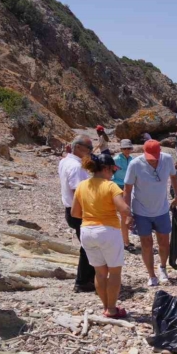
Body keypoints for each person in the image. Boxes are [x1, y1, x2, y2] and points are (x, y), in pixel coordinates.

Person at [71, 154, 131, 318]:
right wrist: (130, 216)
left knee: (100, 272)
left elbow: (75, 212)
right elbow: (123, 208)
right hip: (107, 231)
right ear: (105, 169)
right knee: (115, 272)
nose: (112, 174)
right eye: (112, 170)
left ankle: (106, 307)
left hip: (87, 231)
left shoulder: (82, 186)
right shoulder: (110, 186)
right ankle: (112, 309)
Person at [124, 140, 177, 286]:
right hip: (141, 211)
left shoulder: (167, 159)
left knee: (164, 242)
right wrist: (127, 214)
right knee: (146, 243)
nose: (153, 160)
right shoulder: (135, 164)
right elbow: (127, 189)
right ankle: (151, 275)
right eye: (150, 157)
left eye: (155, 156)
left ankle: (162, 267)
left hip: (161, 209)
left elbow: (174, 177)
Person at [59, 135, 97, 293]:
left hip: (70, 209)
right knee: (89, 246)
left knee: (87, 245)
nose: (91, 152)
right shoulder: (76, 167)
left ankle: (87, 279)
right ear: (79, 147)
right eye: (89, 148)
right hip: (79, 210)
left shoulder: (65, 161)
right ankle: (83, 281)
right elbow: (78, 192)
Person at [112, 139, 135, 252]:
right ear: (121, 149)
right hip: (118, 188)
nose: (127, 150)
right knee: (124, 215)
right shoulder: (115, 160)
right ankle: (125, 242)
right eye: (124, 148)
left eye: (128, 148)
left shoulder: (132, 160)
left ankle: (124, 239)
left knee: (125, 215)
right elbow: (110, 174)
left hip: (129, 188)